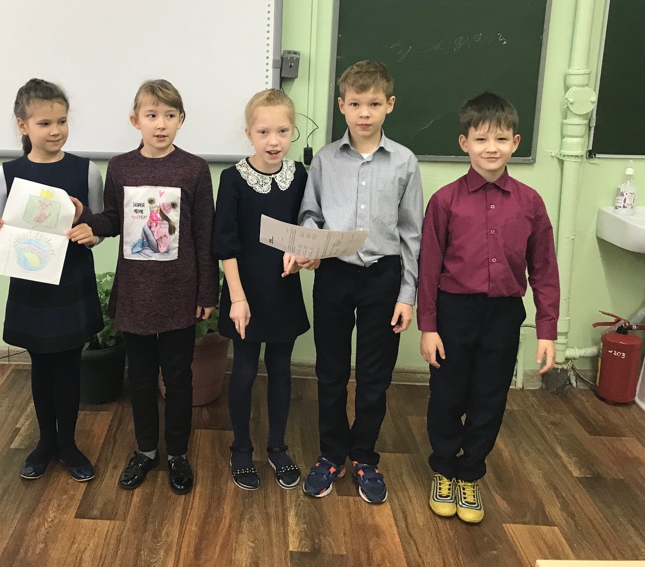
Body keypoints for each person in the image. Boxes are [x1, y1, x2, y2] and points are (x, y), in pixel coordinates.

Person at [69, 79, 219, 495]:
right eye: (152, 115)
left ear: (181, 120)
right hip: (135, 293)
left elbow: (204, 235)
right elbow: (114, 220)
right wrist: (86, 218)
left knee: (178, 378)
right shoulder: (120, 167)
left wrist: (207, 292)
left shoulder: (194, 169)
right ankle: (146, 450)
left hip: (179, 292)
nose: (161, 124)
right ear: (135, 120)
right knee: (139, 377)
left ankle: (177, 454)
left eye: (170, 115)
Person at [418, 91, 558, 524]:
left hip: (503, 315)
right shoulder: (444, 201)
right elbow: (428, 267)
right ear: (465, 143)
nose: (490, 148)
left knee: (490, 397)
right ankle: (444, 470)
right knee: (446, 395)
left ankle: (470, 473)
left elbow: (544, 268)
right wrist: (428, 326)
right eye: (480, 139)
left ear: (515, 142)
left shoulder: (530, 202)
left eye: (500, 139)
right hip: (453, 312)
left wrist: (547, 329)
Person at [299, 60, 423, 503]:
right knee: (330, 371)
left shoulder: (405, 161)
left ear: (390, 104)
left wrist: (407, 295)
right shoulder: (325, 160)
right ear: (341, 106)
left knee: (374, 376)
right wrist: (310, 242)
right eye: (355, 104)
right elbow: (310, 213)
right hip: (334, 272)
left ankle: (365, 456)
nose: (364, 112)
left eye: (373, 103)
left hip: (384, 277)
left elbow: (412, 233)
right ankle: (331, 454)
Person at [0, 78, 104, 483]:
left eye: (62, 121)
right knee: (40, 363)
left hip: (71, 279)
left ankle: (67, 443)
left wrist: (91, 231)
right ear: (23, 125)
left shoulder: (86, 170)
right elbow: (0, 237)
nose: (55, 131)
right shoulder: (7, 174)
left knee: (68, 364)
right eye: (45, 123)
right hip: (31, 283)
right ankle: (45, 441)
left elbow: (98, 228)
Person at [212, 89, 311, 491]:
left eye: (283, 131)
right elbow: (225, 244)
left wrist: (304, 256)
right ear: (248, 133)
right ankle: (241, 448)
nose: (274, 141)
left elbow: (305, 228)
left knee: (281, 368)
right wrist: (237, 298)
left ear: (293, 131)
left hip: (283, 289)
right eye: (264, 132)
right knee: (245, 368)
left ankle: (277, 446)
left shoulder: (299, 176)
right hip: (245, 291)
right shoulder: (232, 179)